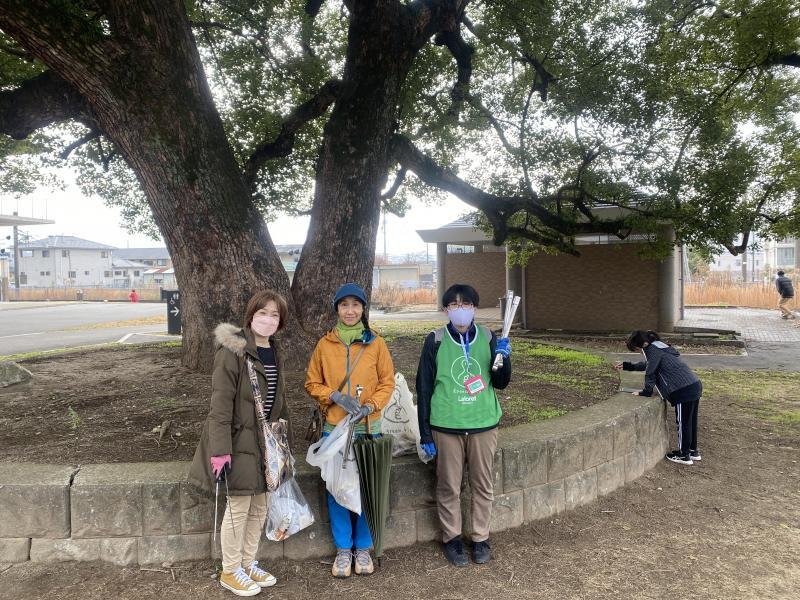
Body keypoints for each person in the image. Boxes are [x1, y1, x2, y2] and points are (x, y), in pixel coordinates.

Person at [188, 290, 291, 597]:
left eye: (275, 315)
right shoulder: (233, 351)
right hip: (238, 442)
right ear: (250, 316)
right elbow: (219, 407)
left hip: (266, 444)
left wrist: (284, 442)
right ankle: (230, 570)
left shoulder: (274, 350)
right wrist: (220, 451)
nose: (268, 320)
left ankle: (248, 563)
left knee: (260, 506)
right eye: (262, 313)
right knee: (239, 508)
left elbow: (280, 401)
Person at [416, 284, 512, 567]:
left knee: (482, 484)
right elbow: (423, 387)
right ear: (446, 309)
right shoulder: (434, 339)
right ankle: (452, 539)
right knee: (448, 486)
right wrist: (425, 433)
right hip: (446, 425)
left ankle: (481, 537)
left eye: (466, 303)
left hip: (483, 423)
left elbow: (501, 382)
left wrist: (504, 359)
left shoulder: (487, 336)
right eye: (454, 304)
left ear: (475, 308)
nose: (460, 308)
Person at [304, 283, 395, 578]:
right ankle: (343, 549)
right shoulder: (324, 345)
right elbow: (311, 382)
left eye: (356, 305)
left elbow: (387, 382)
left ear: (364, 309)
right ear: (337, 309)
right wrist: (333, 395)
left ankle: (363, 548)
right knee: (336, 488)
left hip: (368, 430)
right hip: (334, 430)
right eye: (344, 305)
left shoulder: (376, 343)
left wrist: (371, 406)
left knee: (368, 488)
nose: (351, 311)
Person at [614, 330, 702, 466]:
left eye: (637, 349)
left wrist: (645, 392)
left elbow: (650, 372)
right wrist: (628, 365)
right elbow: (649, 364)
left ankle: (684, 455)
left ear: (644, 344)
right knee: (690, 421)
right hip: (693, 385)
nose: (639, 352)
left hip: (682, 389)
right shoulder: (660, 347)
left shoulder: (652, 351)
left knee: (683, 423)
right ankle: (692, 451)